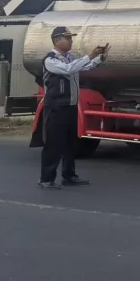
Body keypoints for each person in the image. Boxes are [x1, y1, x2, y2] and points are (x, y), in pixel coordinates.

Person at [33, 27, 108, 190]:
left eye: (71, 38)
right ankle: (46, 178)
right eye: (67, 38)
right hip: (56, 108)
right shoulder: (51, 60)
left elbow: (83, 67)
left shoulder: (69, 58)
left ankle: (69, 175)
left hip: (71, 107)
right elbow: (69, 69)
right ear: (57, 40)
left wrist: (99, 59)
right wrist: (90, 55)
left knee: (70, 144)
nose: (71, 41)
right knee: (53, 144)